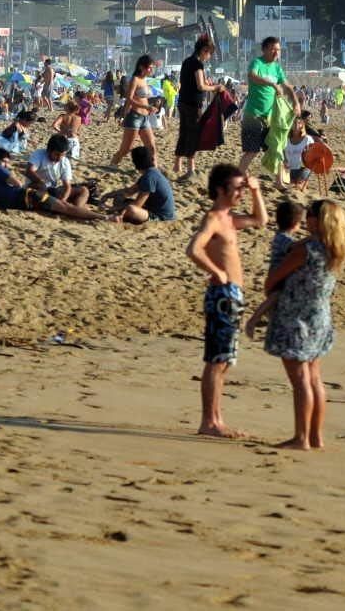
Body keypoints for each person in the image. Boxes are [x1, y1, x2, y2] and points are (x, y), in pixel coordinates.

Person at [186, 163, 267, 439]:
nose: (240, 194)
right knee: (217, 359)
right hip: (222, 294)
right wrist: (216, 271)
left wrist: (255, 191)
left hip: (233, 294)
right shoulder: (213, 219)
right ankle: (209, 421)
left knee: (226, 359)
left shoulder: (230, 219)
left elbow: (260, 220)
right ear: (221, 190)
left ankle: (216, 418)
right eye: (236, 189)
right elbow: (193, 249)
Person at [262, 199, 345, 451]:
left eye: (309, 214)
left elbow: (273, 279)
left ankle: (301, 437)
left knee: (300, 379)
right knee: (314, 378)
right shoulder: (334, 246)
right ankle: (315, 436)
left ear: (317, 220)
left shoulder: (306, 250)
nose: (306, 218)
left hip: (296, 316)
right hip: (319, 316)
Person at [243, 201, 307, 340]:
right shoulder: (283, 238)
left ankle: (270, 328)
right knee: (274, 297)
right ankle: (254, 319)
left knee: (276, 306)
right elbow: (294, 247)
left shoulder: (281, 236)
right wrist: (310, 239)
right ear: (296, 223)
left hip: (280, 275)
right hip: (277, 277)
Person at [239, 37, 297, 177]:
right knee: (252, 151)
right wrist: (272, 84)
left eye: (278, 50)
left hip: (271, 117)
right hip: (254, 115)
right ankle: (238, 176)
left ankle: (279, 182)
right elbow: (252, 76)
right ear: (264, 49)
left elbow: (287, 86)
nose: (276, 53)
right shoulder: (257, 63)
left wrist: (296, 102)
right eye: (273, 49)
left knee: (277, 148)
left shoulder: (277, 68)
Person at [173, 36, 219, 180]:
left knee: (183, 132)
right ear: (204, 50)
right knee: (193, 135)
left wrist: (206, 83)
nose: (209, 57)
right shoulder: (198, 64)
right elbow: (200, 86)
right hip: (193, 104)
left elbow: (189, 82)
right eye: (209, 53)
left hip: (183, 101)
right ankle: (190, 169)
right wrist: (215, 87)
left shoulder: (187, 61)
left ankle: (177, 164)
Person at [104, 144, 175, 224]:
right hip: (151, 209)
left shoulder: (149, 177)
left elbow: (137, 204)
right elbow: (129, 191)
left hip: (162, 217)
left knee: (131, 209)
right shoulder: (151, 173)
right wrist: (108, 195)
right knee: (119, 198)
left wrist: (112, 209)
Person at [109, 55, 159, 169]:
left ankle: (154, 171)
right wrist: (124, 116)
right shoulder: (135, 79)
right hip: (134, 117)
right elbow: (129, 99)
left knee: (152, 147)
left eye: (152, 67)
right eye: (150, 67)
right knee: (126, 149)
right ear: (142, 67)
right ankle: (113, 164)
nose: (151, 70)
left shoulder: (145, 80)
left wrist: (152, 106)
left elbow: (143, 99)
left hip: (145, 118)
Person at [26, 134, 92, 210]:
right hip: (36, 187)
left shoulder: (65, 161)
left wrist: (63, 199)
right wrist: (41, 182)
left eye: (62, 155)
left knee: (84, 190)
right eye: (57, 154)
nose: (59, 158)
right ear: (49, 151)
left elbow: (67, 186)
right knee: (41, 187)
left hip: (53, 190)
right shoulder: (39, 154)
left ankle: (76, 209)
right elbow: (29, 171)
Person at [283, 116, 315, 190]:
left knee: (297, 187)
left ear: (302, 125)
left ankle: (303, 182)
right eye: (294, 123)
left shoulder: (307, 139)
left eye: (299, 123)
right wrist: (285, 162)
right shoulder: (286, 139)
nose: (296, 125)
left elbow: (313, 155)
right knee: (289, 186)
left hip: (303, 168)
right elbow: (283, 155)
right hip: (289, 169)